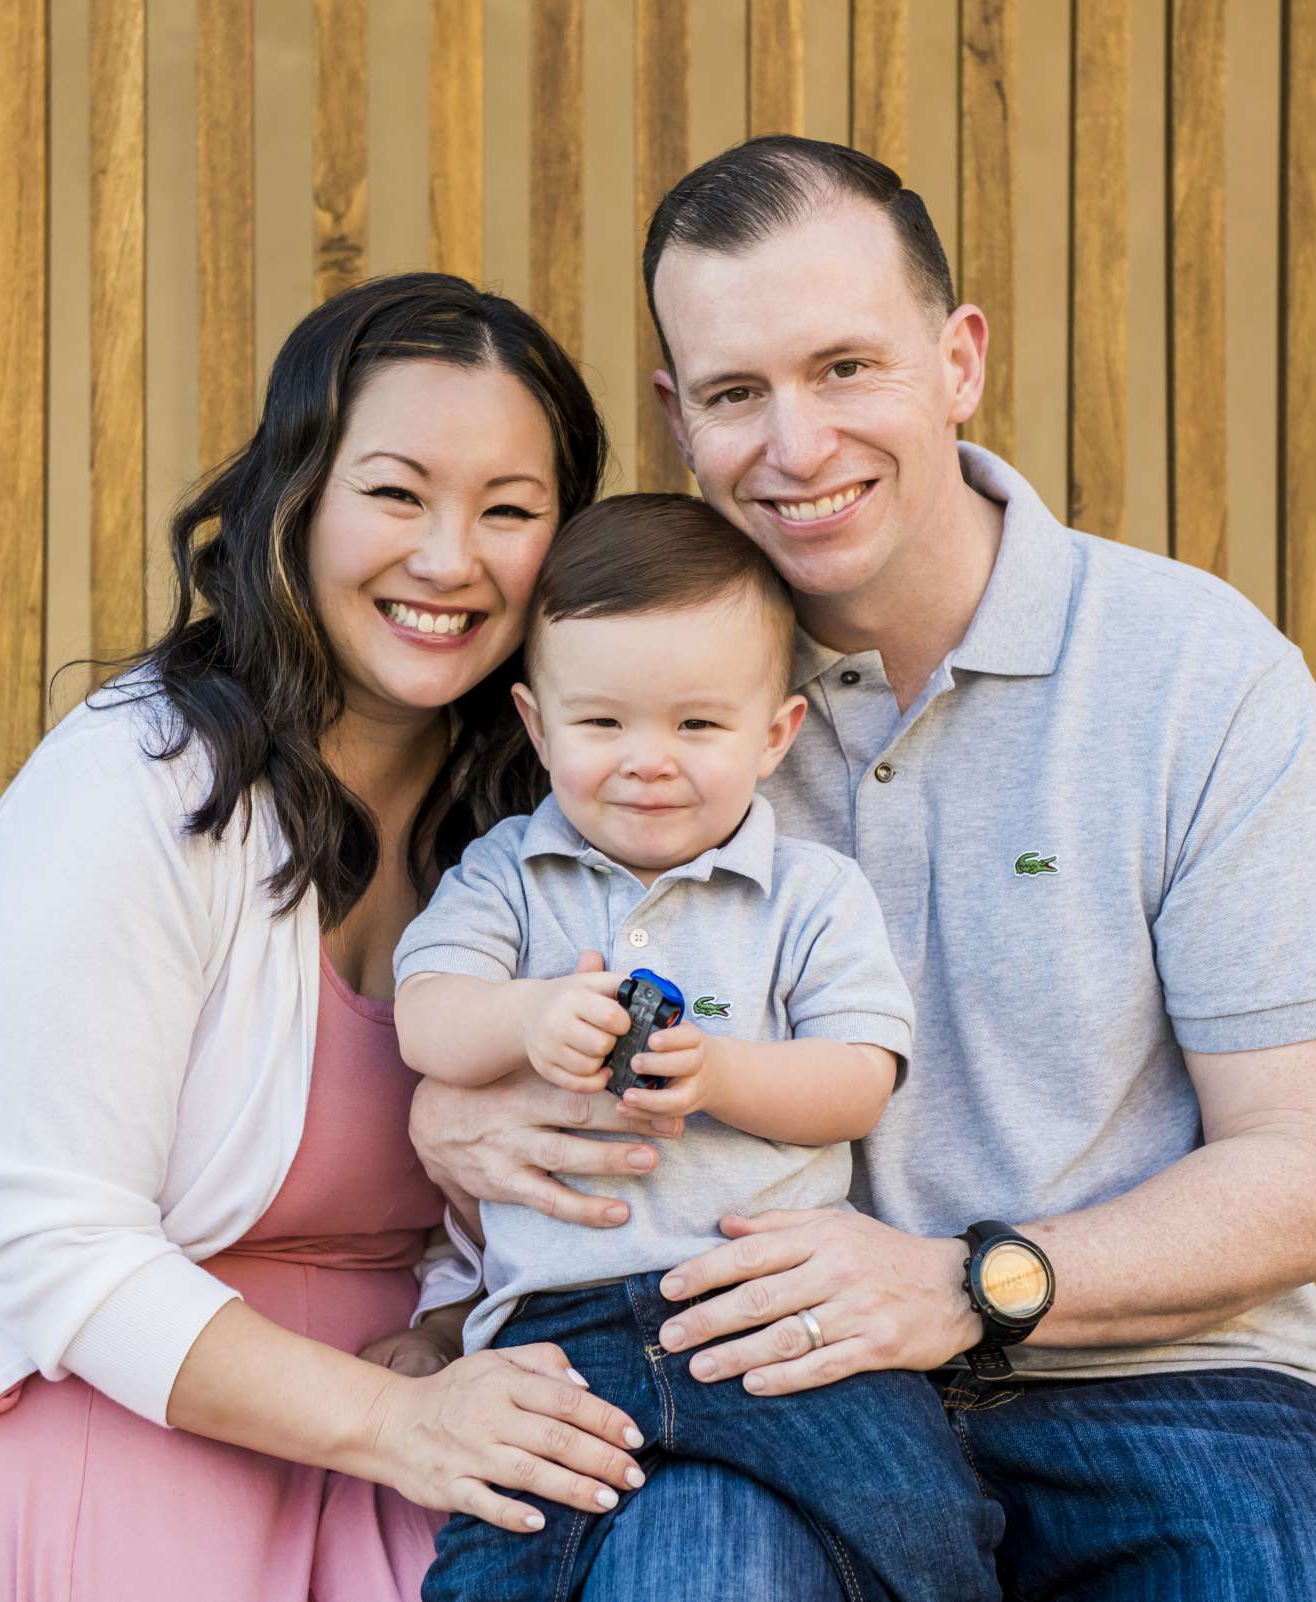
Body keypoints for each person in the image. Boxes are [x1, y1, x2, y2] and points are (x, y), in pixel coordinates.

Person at [406, 138, 1316, 1600]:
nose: (796, 443)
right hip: (743, 1367)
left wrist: (970, 1283)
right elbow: (460, 1002)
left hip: (1152, 1367)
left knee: (1288, 1577)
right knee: (695, 1580)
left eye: (846, 367)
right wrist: (454, 1122)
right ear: (679, 421)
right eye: (734, 393)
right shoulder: (619, 697)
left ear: (957, 359)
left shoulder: (1194, 672)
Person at [0, 274, 661, 1602]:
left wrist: (451, 1333)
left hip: (392, 1411)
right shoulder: (135, 781)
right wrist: (400, 1424)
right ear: (296, 500)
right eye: (397, 494)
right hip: (48, 1379)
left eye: (508, 511)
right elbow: (56, 1245)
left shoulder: (547, 809)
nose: (451, 558)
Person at [392, 494, 1004, 1602]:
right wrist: (527, 1017)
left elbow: (859, 1077)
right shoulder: (506, 876)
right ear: (537, 726)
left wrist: (725, 1076)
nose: (647, 763)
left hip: (769, 1301)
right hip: (558, 1322)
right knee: (503, 1545)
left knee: (922, 1513)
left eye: (697, 725)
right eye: (603, 724)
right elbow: (426, 1013)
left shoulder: (811, 895)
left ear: (776, 734)